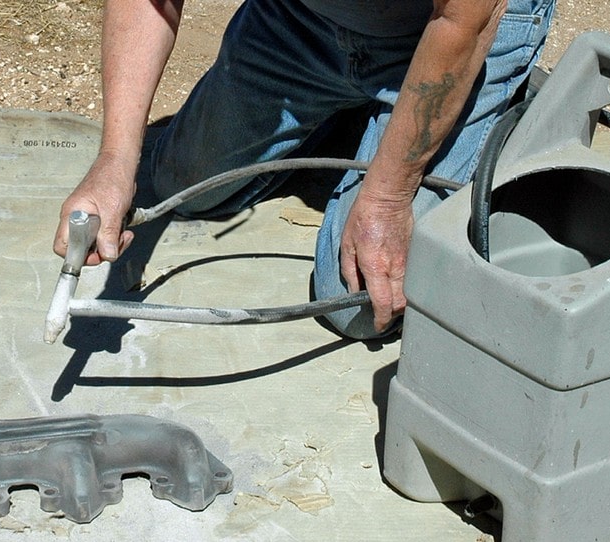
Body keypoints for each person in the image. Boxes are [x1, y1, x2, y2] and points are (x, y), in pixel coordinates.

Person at [54, 0, 555, 339]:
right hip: (302, 19)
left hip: (457, 27)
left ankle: (500, 109)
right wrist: (114, 161)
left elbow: (463, 19)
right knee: (181, 187)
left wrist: (388, 196)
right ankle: (361, 119)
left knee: (356, 303)